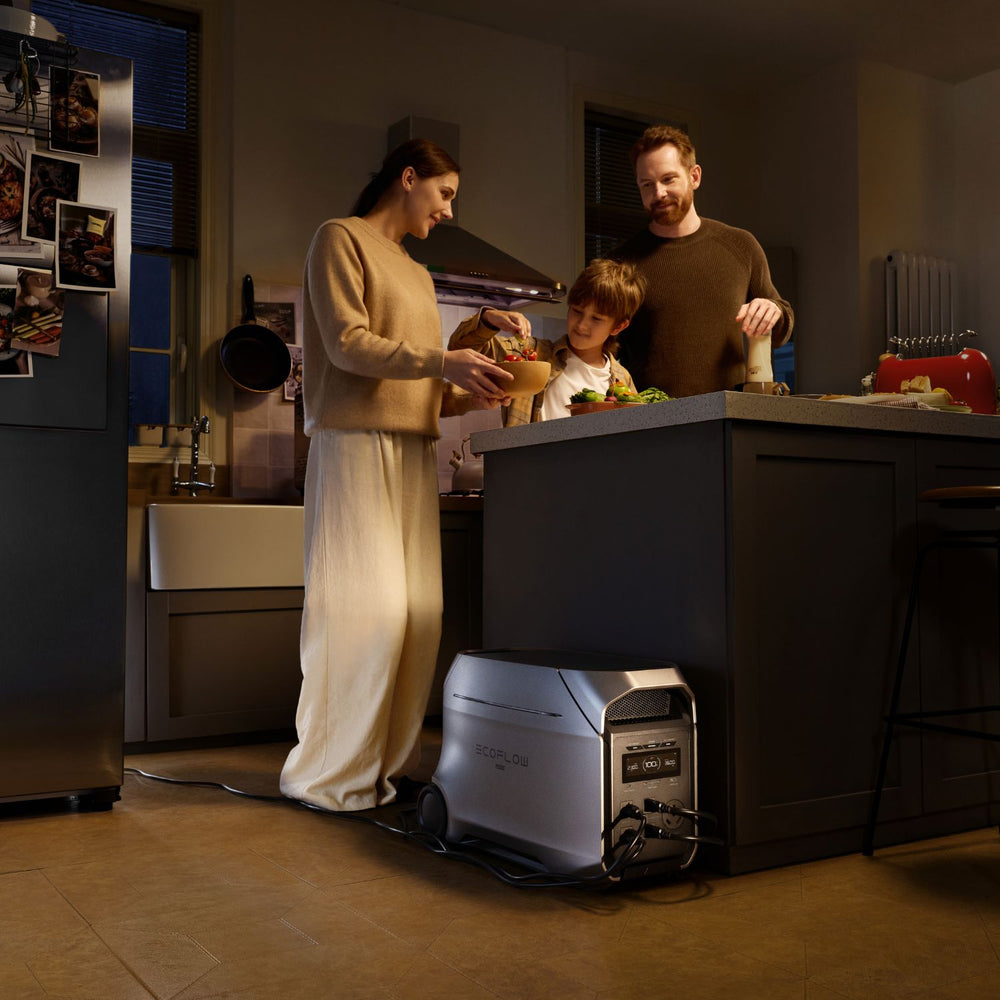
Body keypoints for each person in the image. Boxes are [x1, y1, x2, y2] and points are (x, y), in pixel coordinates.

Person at [280, 139, 516, 812]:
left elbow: (421, 389)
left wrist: (474, 390)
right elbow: (349, 345)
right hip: (352, 444)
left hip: (412, 451)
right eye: (444, 194)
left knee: (420, 615)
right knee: (366, 615)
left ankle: (385, 770)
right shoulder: (339, 240)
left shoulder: (417, 274)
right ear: (407, 179)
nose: (447, 211)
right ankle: (328, 775)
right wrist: (447, 361)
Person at [610, 124, 794, 398]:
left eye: (668, 179)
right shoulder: (620, 262)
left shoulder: (741, 245)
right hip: (649, 423)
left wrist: (773, 311)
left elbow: (780, 329)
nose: (658, 193)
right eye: (647, 184)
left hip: (730, 416)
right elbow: (596, 345)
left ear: (694, 177)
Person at [448, 259, 646, 426]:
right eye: (577, 311)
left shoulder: (622, 380)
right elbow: (460, 349)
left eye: (596, 319)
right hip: (533, 469)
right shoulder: (531, 356)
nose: (582, 326)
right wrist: (489, 319)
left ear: (618, 326)